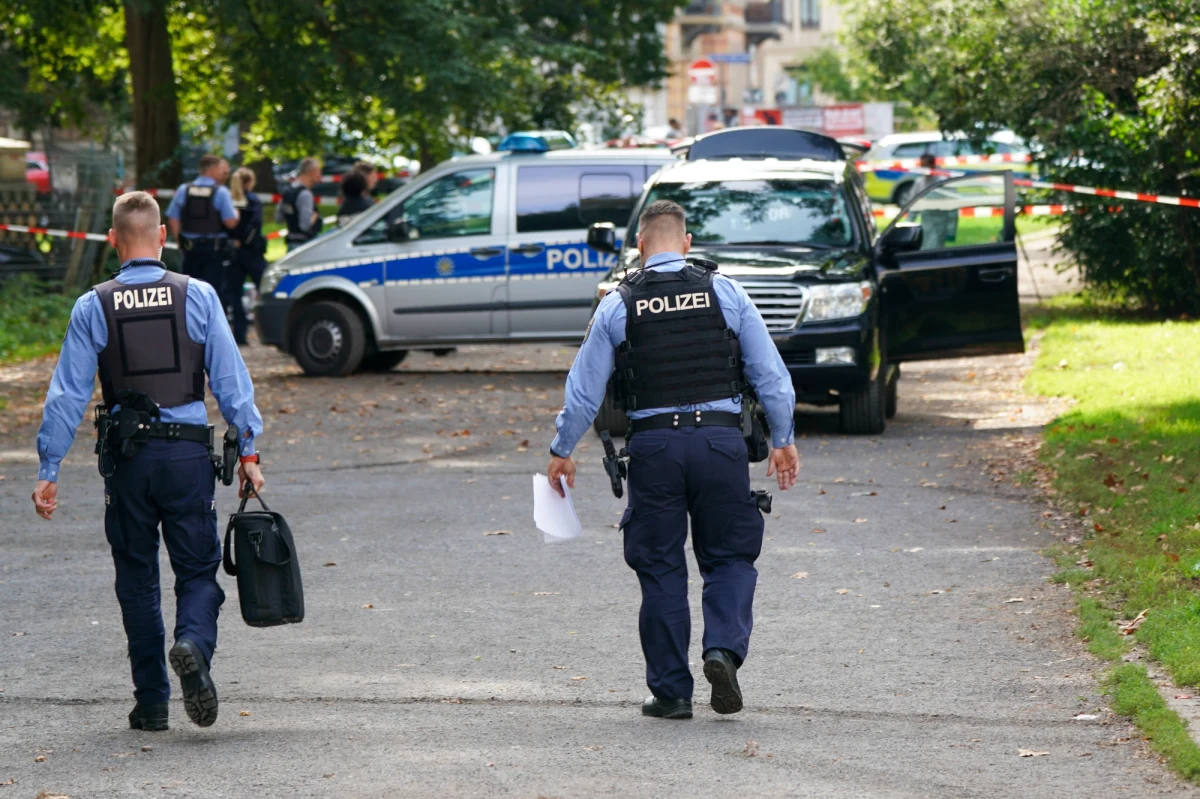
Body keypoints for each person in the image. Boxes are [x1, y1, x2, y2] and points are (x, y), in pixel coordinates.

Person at [545, 200, 800, 720]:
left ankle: (671, 693)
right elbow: (771, 376)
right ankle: (722, 651)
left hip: (655, 448)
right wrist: (783, 437)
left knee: (660, 567)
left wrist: (562, 450)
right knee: (729, 556)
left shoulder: (619, 303)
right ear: (686, 243)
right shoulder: (725, 291)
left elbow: (584, 392)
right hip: (720, 445)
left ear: (641, 246)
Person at [31, 191, 266, 732]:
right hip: (185, 455)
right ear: (163, 237)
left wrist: (49, 469)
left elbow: (66, 394)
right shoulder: (198, 295)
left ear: (113, 241)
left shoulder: (94, 304)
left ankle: (152, 703)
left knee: (136, 579)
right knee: (198, 571)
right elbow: (232, 382)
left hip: (127, 460)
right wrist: (248, 450)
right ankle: (192, 644)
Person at [166, 155, 239, 286]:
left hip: (190, 247)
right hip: (213, 249)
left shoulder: (184, 189)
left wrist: (180, 241)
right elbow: (231, 222)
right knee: (213, 290)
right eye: (220, 170)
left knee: (189, 288)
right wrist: (236, 214)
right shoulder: (221, 192)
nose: (223, 174)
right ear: (212, 170)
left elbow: (173, 218)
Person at [228, 167, 267, 345]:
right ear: (250, 182)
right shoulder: (253, 201)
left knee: (235, 295)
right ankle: (268, 329)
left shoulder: (231, 200)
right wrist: (245, 241)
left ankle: (240, 334)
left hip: (234, 254)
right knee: (266, 288)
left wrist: (235, 241)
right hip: (252, 253)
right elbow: (255, 225)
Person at [276, 157, 323, 250]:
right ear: (312, 172)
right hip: (305, 246)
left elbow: (278, 219)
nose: (320, 175)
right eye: (319, 172)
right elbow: (305, 226)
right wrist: (314, 217)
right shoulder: (305, 194)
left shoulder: (288, 191)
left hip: (291, 244)